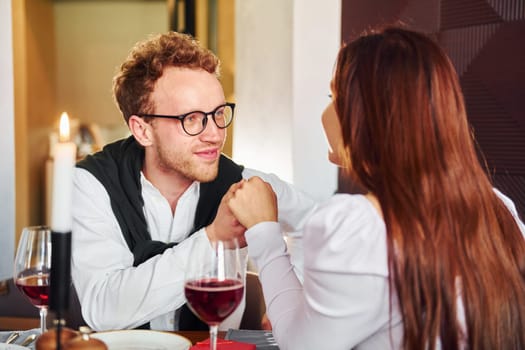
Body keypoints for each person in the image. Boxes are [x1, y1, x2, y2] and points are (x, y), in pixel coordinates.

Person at [227, 26, 525, 349]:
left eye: (334, 97)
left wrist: (265, 234)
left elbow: (301, 345)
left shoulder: (357, 226)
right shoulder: (500, 209)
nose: (326, 112)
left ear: (363, 115)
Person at [70, 31, 317, 331]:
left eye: (218, 113)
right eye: (192, 118)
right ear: (142, 130)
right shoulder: (93, 184)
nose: (214, 133)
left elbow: (320, 227)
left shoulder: (242, 185)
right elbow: (103, 308)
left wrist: (296, 306)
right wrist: (214, 238)